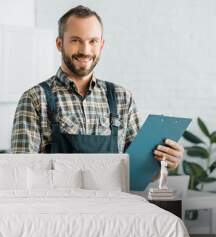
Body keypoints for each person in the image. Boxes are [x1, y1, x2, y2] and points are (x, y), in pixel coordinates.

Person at [10, 5, 183, 170]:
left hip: (113, 201)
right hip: (57, 201)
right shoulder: (34, 99)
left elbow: (137, 172)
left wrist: (164, 162)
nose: (85, 50)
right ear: (59, 43)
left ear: (101, 45)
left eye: (93, 41)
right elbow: (21, 174)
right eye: (76, 40)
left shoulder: (122, 98)